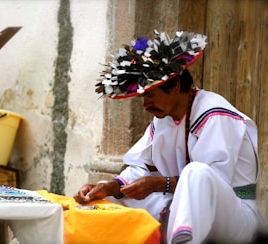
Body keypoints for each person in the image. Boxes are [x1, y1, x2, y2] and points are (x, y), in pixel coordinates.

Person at [73, 30, 267, 244]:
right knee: (107, 195)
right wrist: (112, 186)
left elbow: (209, 183)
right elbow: (141, 168)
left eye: (149, 95)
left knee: (197, 173)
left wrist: (158, 184)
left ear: (174, 85)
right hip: (182, 204)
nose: (145, 104)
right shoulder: (162, 118)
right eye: (142, 97)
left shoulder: (214, 112)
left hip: (237, 218)